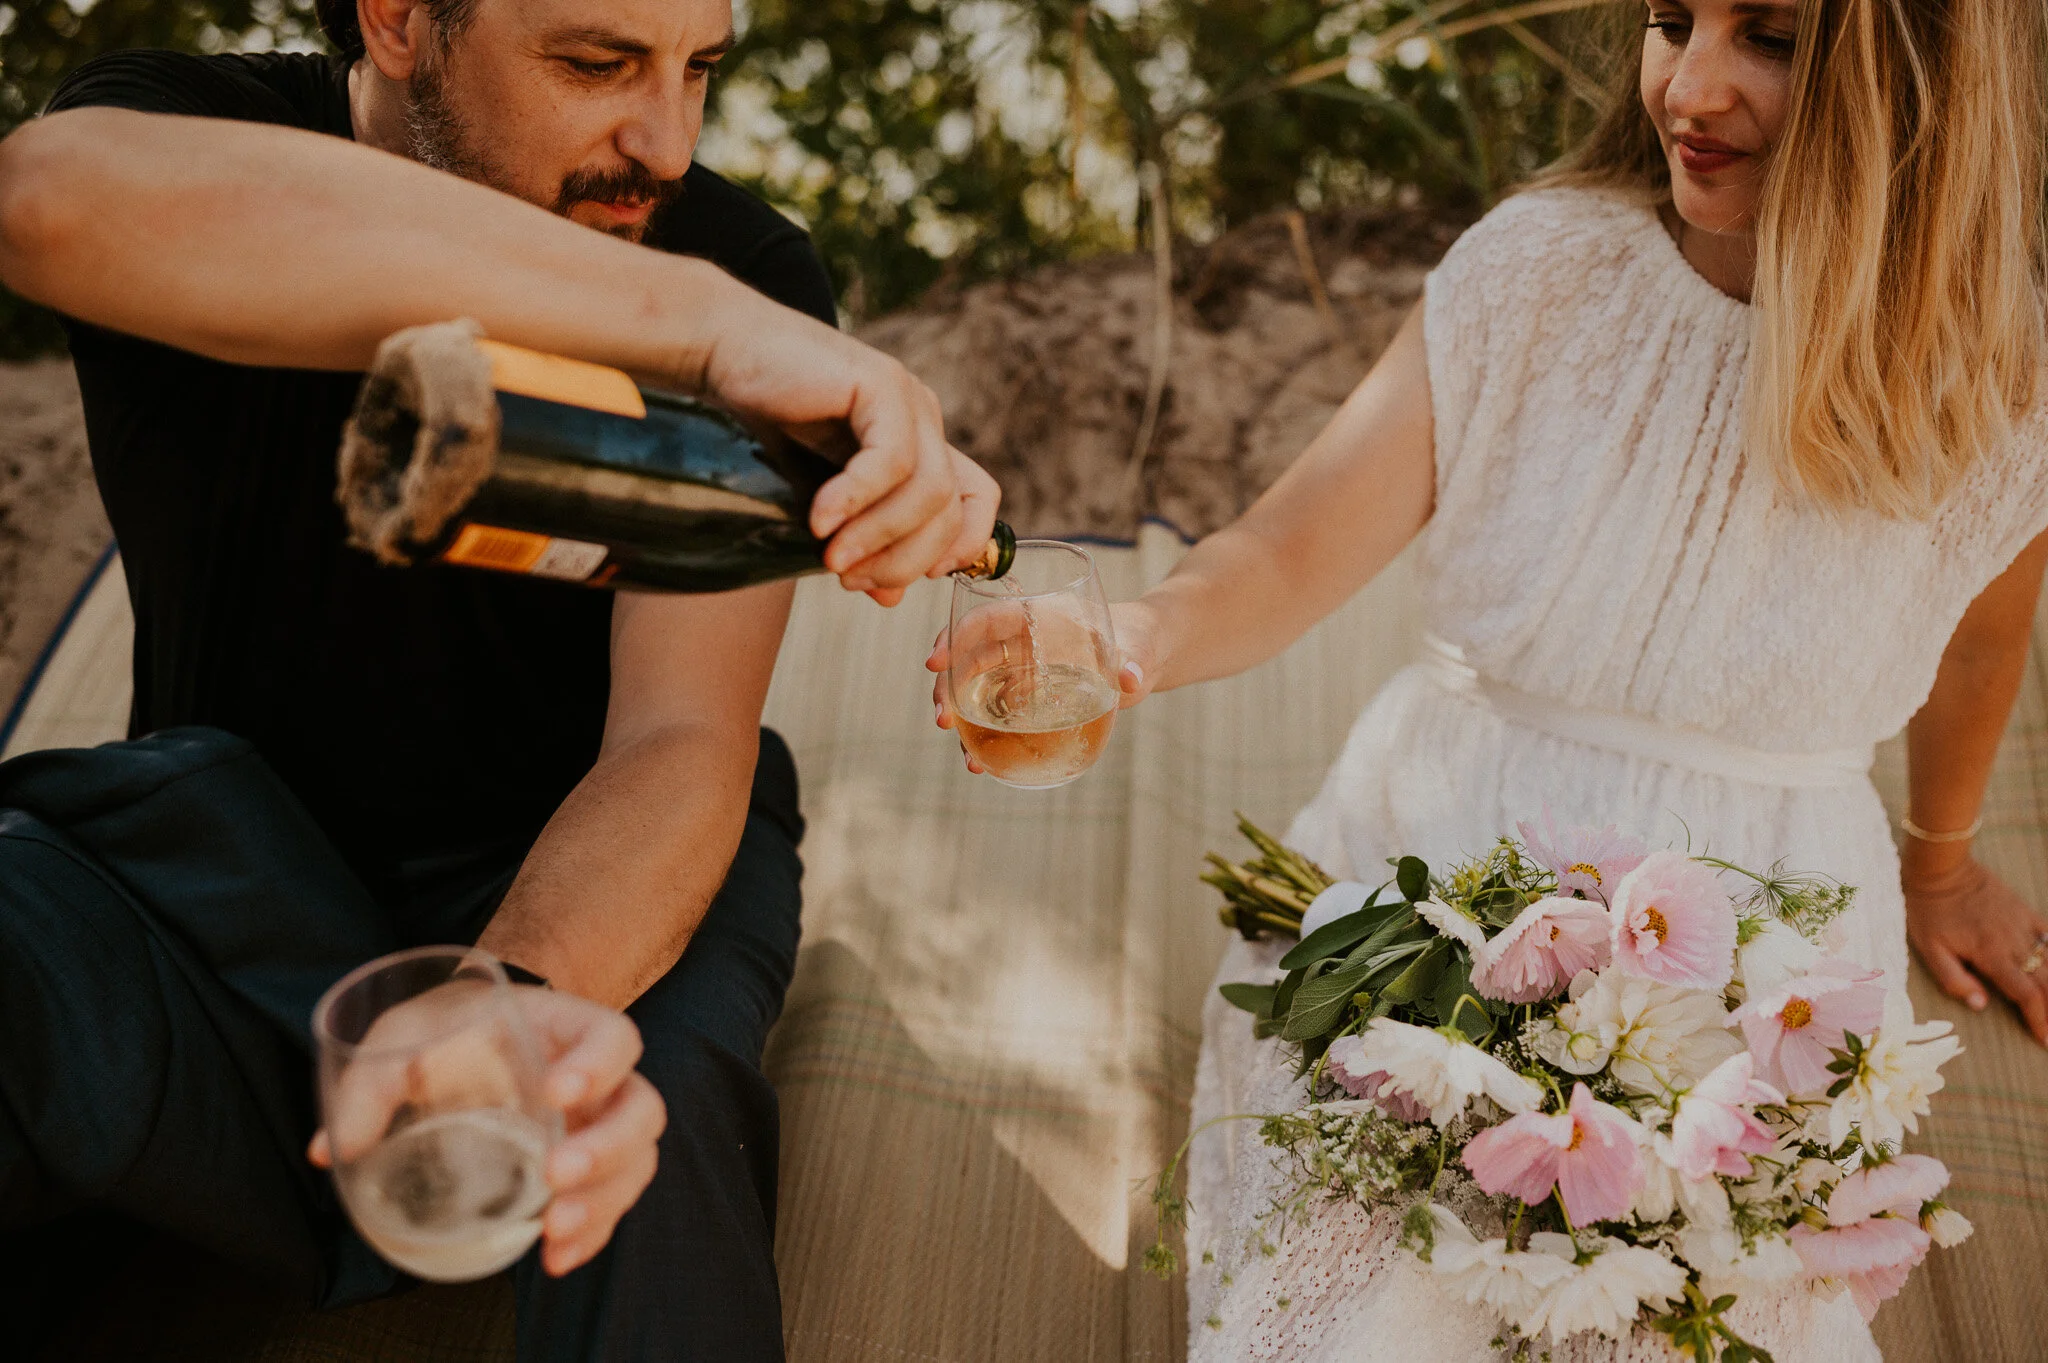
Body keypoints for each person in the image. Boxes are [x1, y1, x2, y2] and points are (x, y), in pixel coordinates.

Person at [931, 0, 2048, 1355]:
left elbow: (1980, 639)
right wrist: (1133, 643)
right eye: (1669, 18)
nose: (1688, 86)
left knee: (1681, 1315)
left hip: (1764, 947)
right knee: (1380, 1309)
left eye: (1770, 37)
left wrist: (1939, 869)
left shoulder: (1995, 379)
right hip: (1435, 882)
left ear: (1915, 76)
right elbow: (1288, 548)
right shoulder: (1538, 275)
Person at [0, 0, 998, 1359]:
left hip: (585, 854)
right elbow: (44, 204)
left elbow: (678, 738)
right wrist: (691, 326)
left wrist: (511, 998)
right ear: (405, 19)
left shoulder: (748, 259)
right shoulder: (194, 125)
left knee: (653, 1086)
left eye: (697, 70)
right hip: (208, 880)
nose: (664, 141)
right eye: (594, 63)